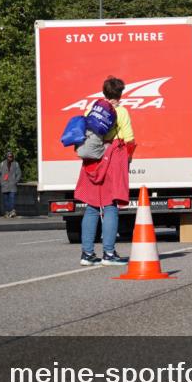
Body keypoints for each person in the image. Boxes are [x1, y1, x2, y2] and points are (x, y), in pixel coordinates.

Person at [75, 76, 135, 266]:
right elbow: (129, 139)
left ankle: (87, 253)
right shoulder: (122, 112)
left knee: (92, 207)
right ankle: (109, 253)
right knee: (110, 207)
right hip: (112, 159)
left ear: (104, 92)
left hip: (92, 161)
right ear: (120, 93)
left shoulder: (91, 109)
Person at [0, 151, 21, 218]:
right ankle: (7, 212)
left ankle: (12, 211)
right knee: (5, 200)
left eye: (11, 156)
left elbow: (19, 173)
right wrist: (0, 180)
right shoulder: (2, 164)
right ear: (6, 157)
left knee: (12, 198)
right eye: (9, 156)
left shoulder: (16, 164)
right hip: (4, 185)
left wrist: (16, 181)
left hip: (12, 185)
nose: (10, 158)